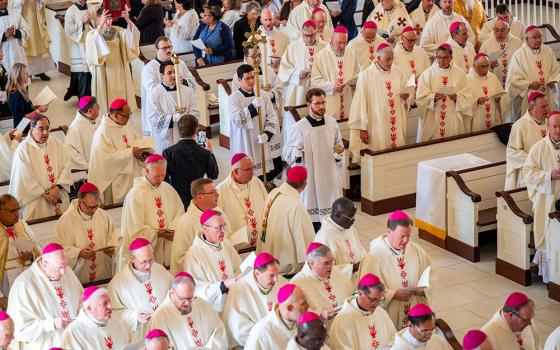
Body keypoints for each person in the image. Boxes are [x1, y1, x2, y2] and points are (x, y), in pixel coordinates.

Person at [359, 210, 435, 329]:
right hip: (391, 312)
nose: (406, 241)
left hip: (414, 306)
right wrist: (392, 294)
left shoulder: (416, 251)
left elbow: (430, 273)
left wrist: (422, 290)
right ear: (389, 232)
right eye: (402, 236)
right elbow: (365, 290)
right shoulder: (374, 256)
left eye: (408, 236)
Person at [283, 88, 344, 228]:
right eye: (317, 103)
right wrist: (297, 152)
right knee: (314, 222)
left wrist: (338, 154)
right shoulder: (299, 127)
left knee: (333, 220)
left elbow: (339, 144)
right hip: (311, 178)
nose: (321, 106)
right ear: (308, 105)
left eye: (323, 102)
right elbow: (286, 152)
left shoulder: (332, 123)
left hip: (329, 175)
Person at [7, 243, 83, 349]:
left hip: (75, 342)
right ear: (45, 262)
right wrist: (51, 324)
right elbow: (19, 331)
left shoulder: (67, 272)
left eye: (65, 266)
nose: (63, 272)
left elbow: (82, 299)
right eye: (59, 267)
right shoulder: (24, 285)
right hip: (45, 345)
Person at [120, 154, 184, 269]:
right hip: (147, 253)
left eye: (163, 175)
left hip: (169, 245)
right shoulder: (135, 195)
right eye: (156, 176)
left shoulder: (168, 189)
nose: (160, 180)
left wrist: (175, 230)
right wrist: (158, 234)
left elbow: (179, 214)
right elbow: (134, 229)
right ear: (147, 171)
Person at [349, 43, 410, 160]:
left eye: (392, 59)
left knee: (397, 156)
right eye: (387, 59)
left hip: (395, 121)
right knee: (378, 157)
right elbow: (359, 103)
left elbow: (406, 92)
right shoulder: (366, 75)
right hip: (376, 125)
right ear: (378, 58)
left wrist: (406, 97)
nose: (390, 62)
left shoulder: (399, 72)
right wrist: (362, 129)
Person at [232, 47, 283, 179]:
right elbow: (237, 120)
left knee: (268, 171)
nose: (251, 81)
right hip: (246, 139)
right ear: (239, 80)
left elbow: (272, 116)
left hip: (263, 137)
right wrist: (252, 107)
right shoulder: (234, 98)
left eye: (252, 78)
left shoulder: (263, 94)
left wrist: (267, 133)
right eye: (247, 79)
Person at [108, 238, 172, 341]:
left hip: (166, 327)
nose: (148, 266)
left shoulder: (160, 270)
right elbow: (113, 312)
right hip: (141, 334)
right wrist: (134, 317)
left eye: (151, 260)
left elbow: (173, 292)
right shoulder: (118, 283)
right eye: (144, 262)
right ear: (132, 258)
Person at [54, 182, 118, 284]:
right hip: (80, 280)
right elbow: (59, 248)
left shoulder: (103, 216)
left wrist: (112, 249)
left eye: (96, 206)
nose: (94, 211)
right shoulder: (65, 221)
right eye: (90, 207)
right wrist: (78, 253)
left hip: (104, 275)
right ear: (80, 202)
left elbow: (115, 238)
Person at [9, 115, 71, 220]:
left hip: (58, 195)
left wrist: (57, 188)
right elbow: (24, 178)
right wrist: (45, 193)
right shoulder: (23, 150)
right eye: (41, 129)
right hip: (36, 201)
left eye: (47, 128)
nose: (45, 133)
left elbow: (66, 165)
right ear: (32, 129)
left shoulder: (56, 143)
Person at [522, 111, 560, 280]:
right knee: (549, 236)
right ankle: (550, 277)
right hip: (547, 201)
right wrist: (548, 175)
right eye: (555, 126)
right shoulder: (539, 148)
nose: (558, 130)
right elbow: (527, 174)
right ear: (548, 126)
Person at [258, 166, 315, 275]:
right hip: (285, 270)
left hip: (265, 259)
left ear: (286, 180)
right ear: (304, 186)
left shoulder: (273, 193)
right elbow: (307, 243)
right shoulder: (296, 206)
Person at [223, 252, 288, 347]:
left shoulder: (281, 282)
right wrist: (268, 339)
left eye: (277, 274)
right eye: (271, 276)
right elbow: (238, 329)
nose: (276, 279)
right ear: (257, 273)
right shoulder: (240, 289)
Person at [88, 99, 146, 204]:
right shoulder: (103, 132)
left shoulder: (125, 123)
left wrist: (142, 152)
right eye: (126, 116)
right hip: (116, 179)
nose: (128, 119)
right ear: (115, 115)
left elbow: (137, 141)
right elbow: (105, 158)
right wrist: (131, 152)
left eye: (130, 115)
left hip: (133, 174)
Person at [278, 20, 327, 144]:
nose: (309, 39)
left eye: (312, 35)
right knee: (298, 119)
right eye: (306, 35)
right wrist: (297, 73)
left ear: (317, 33)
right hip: (299, 90)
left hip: (319, 89)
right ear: (302, 33)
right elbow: (283, 69)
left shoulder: (325, 47)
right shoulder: (293, 47)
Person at [147, 272, 227, 348]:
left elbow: (219, 331)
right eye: (183, 299)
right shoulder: (159, 318)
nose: (188, 303)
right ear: (172, 291)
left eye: (190, 298)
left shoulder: (201, 304)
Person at [184, 210, 241, 311]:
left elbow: (238, 269)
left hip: (235, 303)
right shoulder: (194, 255)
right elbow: (197, 291)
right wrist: (223, 286)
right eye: (219, 228)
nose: (223, 231)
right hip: (214, 310)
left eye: (223, 226)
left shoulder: (226, 245)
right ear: (205, 229)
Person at [85, 7, 140, 113]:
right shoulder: (92, 35)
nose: (109, 22)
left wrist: (128, 20)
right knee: (105, 107)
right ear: (98, 19)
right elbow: (92, 54)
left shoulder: (119, 31)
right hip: (103, 74)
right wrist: (100, 26)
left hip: (120, 73)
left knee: (121, 103)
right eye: (105, 19)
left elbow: (133, 36)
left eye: (110, 18)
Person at [140, 36, 196, 137]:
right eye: (164, 48)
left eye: (170, 47)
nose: (168, 50)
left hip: (182, 107)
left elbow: (192, 82)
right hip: (164, 108)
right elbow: (152, 89)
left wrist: (182, 82)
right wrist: (169, 82)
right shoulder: (149, 68)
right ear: (157, 50)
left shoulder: (180, 64)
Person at [416, 43, 472, 141]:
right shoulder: (427, 74)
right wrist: (433, 97)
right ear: (436, 57)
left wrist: (457, 97)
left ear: (451, 58)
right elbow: (420, 98)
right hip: (434, 116)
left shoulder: (460, 74)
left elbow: (467, 96)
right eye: (439, 57)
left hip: (452, 114)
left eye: (446, 57)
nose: (442, 60)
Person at [162, 115, 217, 209]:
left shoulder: (168, 152)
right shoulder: (204, 153)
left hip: (177, 198)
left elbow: (165, 180)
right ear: (196, 130)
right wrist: (210, 152)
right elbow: (214, 174)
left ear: (179, 130)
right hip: (198, 197)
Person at [328, 274, 397, 349]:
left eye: (379, 300)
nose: (376, 304)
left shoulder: (381, 312)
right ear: (360, 293)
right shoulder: (342, 321)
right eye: (373, 300)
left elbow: (393, 338)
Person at [291, 243, 353, 323]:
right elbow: (297, 313)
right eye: (326, 263)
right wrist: (319, 314)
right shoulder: (298, 283)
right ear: (311, 263)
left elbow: (349, 289)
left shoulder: (334, 270)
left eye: (331, 261)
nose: (330, 266)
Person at [506, 26, 560, 118]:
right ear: (526, 39)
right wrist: (529, 84)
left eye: (540, 37)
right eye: (535, 37)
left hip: (548, 93)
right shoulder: (519, 55)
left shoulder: (547, 50)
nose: (538, 40)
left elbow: (556, 70)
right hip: (529, 97)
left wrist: (553, 80)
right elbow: (513, 81)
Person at [171, 178, 222, 274]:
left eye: (216, 191)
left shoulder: (220, 213)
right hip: (200, 278)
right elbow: (181, 258)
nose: (217, 194)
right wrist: (208, 267)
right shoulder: (186, 222)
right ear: (199, 197)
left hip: (220, 271)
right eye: (212, 192)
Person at [146, 62, 200, 153]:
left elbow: (195, 111)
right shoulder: (155, 94)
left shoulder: (187, 91)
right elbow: (153, 117)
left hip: (186, 135)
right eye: (169, 73)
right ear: (162, 75)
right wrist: (173, 118)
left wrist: (186, 119)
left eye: (175, 72)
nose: (173, 75)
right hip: (167, 139)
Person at [310, 26, 360, 121]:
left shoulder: (351, 53)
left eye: (344, 43)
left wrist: (354, 82)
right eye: (339, 43)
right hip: (330, 103)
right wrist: (332, 86)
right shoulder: (321, 56)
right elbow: (315, 81)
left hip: (348, 100)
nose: (342, 46)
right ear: (332, 40)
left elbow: (358, 73)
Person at [217, 153, 267, 246]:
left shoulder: (256, 182)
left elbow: (267, 207)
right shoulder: (220, 191)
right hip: (240, 247)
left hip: (261, 242)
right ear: (235, 171)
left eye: (252, 168)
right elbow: (218, 223)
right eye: (248, 170)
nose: (252, 172)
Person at [61, 286, 131, 349]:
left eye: (109, 301)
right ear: (89, 308)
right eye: (104, 303)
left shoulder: (118, 322)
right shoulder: (74, 332)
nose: (110, 306)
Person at [505, 92, 549, 190]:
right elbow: (512, 152)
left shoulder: (551, 122)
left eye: (547, 105)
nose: (547, 109)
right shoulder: (520, 125)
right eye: (543, 107)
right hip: (529, 174)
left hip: (549, 171)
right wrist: (534, 159)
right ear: (533, 108)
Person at [0, 194, 37, 308]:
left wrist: (31, 256)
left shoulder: (22, 225)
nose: (17, 214)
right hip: (6, 282)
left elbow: (38, 249)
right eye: (12, 211)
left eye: (18, 209)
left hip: (28, 278)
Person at [245, 284, 309, 349]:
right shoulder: (261, 333)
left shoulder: (304, 321)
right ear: (289, 308)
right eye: (303, 304)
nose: (308, 306)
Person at [314, 197, 366, 269]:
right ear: (338, 215)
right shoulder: (323, 238)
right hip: (340, 278)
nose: (353, 221)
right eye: (351, 218)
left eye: (354, 217)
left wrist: (365, 261)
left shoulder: (349, 228)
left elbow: (359, 248)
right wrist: (352, 268)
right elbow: (325, 269)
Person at [10, 0, 54, 80]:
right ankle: (28, 73)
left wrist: (39, 1)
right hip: (23, 18)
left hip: (35, 19)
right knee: (27, 46)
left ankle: (40, 71)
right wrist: (20, 1)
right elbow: (11, 4)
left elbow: (41, 4)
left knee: (39, 45)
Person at [393, 26, 431, 111]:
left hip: (422, 97)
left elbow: (429, 72)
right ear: (402, 38)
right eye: (409, 40)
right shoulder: (394, 56)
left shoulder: (421, 52)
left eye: (415, 40)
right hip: (405, 100)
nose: (412, 44)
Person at [63, 0, 95, 100]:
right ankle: (83, 98)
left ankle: (91, 97)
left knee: (90, 71)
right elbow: (69, 30)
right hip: (78, 45)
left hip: (90, 44)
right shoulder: (71, 11)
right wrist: (82, 22)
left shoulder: (92, 8)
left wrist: (91, 22)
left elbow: (97, 23)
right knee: (81, 72)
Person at [467, 53, 507, 132]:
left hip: (493, 118)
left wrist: (498, 100)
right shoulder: (467, 80)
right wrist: (476, 101)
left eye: (487, 66)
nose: (485, 69)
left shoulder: (493, 77)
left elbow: (503, 96)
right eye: (482, 66)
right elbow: (463, 102)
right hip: (477, 120)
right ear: (474, 65)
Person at [479, 19, 523, 91]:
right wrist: (490, 66)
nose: (499, 33)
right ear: (493, 30)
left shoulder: (517, 43)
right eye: (496, 30)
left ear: (508, 30)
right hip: (494, 85)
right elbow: (479, 68)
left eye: (502, 30)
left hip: (514, 85)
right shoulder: (486, 45)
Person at [6, 63, 48, 129]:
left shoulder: (18, 91)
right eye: (26, 73)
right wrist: (39, 110)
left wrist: (35, 108)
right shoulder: (16, 96)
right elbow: (22, 119)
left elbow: (23, 109)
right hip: (24, 129)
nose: (28, 75)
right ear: (19, 76)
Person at [64, 96, 100, 171]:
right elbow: (70, 152)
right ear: (89, 111)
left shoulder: (95, 119)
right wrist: (88, 166)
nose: (99, 108)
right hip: (90, 167)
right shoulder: (76, 128)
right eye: (97, 107)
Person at [259, 8, 289, 73]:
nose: (268, 22)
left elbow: (288, 55)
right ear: (261, 21)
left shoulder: (283, 36)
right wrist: (270, 61)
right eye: (265, 20)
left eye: (270, 19)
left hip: (281, 72)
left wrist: (280, 61)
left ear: (274, 19)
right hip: (264, 73)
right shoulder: (255, 38)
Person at [0, 0, 28, 72]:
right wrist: (4, 36)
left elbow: (26, 30)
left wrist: (17, 32)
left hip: (17, 52)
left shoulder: (15, 13)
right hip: (3, 55)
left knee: (19, 76)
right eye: (1, 0)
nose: (4, 2)